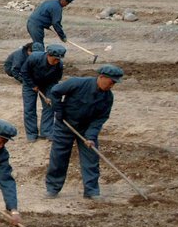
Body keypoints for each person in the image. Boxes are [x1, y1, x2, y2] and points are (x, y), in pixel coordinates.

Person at [45, 65, 123, 200]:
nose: (112, 86)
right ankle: (53, 188)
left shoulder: (108, 97)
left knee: (91, 158)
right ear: (102, 77)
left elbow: (100, 118)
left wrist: (91, 136)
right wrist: (59, 110)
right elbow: (55, 91)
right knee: (59, 158)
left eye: (114, 83)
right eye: (111, 82)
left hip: (86, 129)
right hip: (65, 125)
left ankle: (91, 191)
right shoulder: (77, 83)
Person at [20, 43, 66, 141]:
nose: (57, 61)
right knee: (29, 108)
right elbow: (24, 72)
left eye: (59, 59)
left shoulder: (59, 65)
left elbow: (55, 80)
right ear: (48, 55)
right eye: (55, 59)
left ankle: (47, 132)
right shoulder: (34, 58)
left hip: (47, 85)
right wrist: (32, 85)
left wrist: (51, 94)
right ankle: (32, 134)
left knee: (49, 106)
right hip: (30, 83)